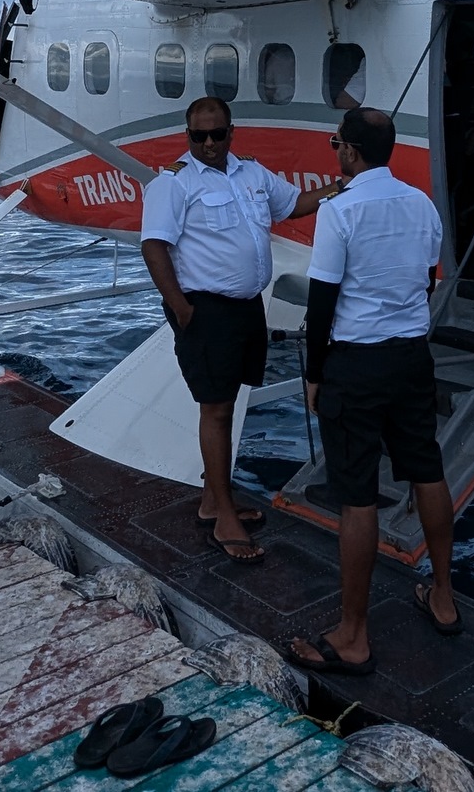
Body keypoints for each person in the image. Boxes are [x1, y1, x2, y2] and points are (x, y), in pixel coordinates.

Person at [287, 106, 455, 677]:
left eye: (336, 143)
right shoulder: (422, 205)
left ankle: (354, 635)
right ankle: (444, 595)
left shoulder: (339, 210)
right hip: (411, 358)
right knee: (427, 470)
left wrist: (314, 373)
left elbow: (322, 301)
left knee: (356, 495)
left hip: (356, 365)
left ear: (350, 153)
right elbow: (427, 281)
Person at [139, 96, 336, 563]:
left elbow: (293, 205)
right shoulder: (174, 183)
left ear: (232, 133)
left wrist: (342, 186)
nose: (208, 143)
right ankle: (224, 514)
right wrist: (184, 311)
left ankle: (213, 500)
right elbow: (154, 247)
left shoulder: (252, 173)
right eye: (198, 136)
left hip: (247, 307)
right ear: (188, 136)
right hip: (206, 311)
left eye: (217, 134)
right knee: (218, 411)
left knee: (230, 403)